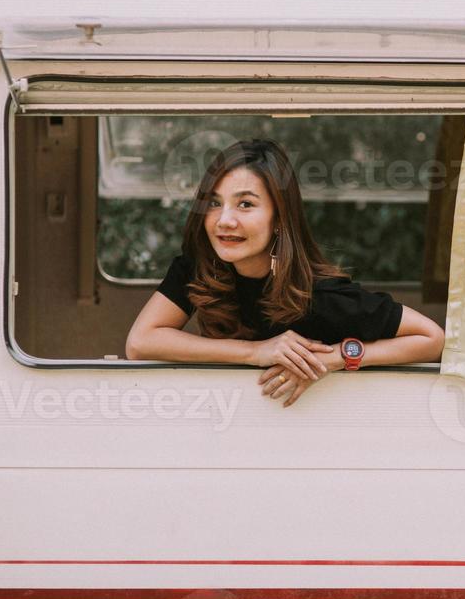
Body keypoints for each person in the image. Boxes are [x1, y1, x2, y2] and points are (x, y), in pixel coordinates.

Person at [125, 138, 445, 406]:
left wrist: (335, 358)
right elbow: (141, 343)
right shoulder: (199, 267)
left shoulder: (318, 295)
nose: (223, 220)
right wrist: (255, 352)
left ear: (279, 218)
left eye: (245, 204)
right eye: (213, 203)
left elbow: (431, 338)